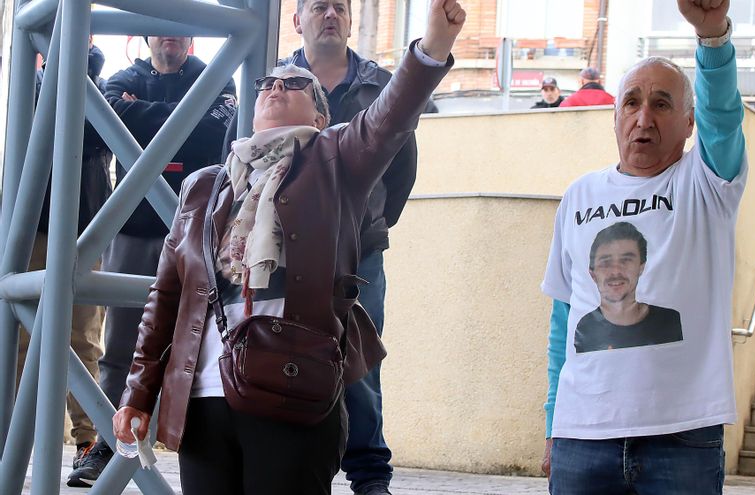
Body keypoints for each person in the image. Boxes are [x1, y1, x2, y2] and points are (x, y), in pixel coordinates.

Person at [111, 1, 464, 493]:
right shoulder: (205, 187)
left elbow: (391, 117)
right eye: (267, 85)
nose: (276, 86)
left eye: (294, 84)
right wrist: (137, 394)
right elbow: (166, 297)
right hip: (203, 398)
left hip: (294, 389)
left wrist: (433, 46)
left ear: (322, 118)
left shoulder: (336, 160)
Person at [540, 0, 746, 493]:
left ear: (689, 123)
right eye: (631, 102)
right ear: (614, 116)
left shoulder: (706, 183)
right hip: (582, 436)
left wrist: (713, 35)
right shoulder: (578, 196)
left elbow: (724, 115)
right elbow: (563, 320)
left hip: (681, 439)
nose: (643, 117)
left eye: (661, 103)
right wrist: (553, 421)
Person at [221, 1, 422, 492]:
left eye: (339, 6)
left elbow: (399, 166)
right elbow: (236, 155)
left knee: (356, 362)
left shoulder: (379, 85)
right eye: (317, 6)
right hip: (278, 254)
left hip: (359, 256)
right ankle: (288, 457)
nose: (329, 13)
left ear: (350, 20)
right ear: (298, 20)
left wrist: (360, 223)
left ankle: (369, 473)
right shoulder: (274, 83)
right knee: (274, 350)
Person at [67, 35, 237, 487]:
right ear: (145, 37)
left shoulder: (214, 77)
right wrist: (186, 115)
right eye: (161, 29)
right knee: (120, 347)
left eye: (180, 30)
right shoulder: (124, 78)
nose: (171, 38)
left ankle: (200, 452)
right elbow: (106, 124)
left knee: (205, 348)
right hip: (133, 228)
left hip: (198, 234)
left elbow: (217, 129)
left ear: (191, 38)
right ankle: (104, 445)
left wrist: (138, 113)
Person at [19, 37, 112, 483]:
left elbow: (92, 127)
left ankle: (87, 439)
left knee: (83, 337)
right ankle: (16, 438)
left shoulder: (102, 82)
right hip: (31, 219)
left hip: (84, 221)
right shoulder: (24, 80)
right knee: (20, 333)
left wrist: (88, 63)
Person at [573, 222, 682, 353]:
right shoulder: (584, 327)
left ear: (641, 267)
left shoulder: (670, 321)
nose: (615, 271)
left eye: (625, 260)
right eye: (606, 262)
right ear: (592, 274)